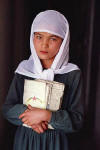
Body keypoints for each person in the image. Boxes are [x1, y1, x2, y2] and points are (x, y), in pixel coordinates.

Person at [2, 10, 84, 150]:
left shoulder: (72, 74)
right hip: (25, 141)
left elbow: (77, 120)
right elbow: (7, 109)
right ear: (32, 37)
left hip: (56, 142)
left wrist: (47, 115)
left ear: (63, 43)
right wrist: (32, 119)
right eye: (39, 37)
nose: (44, 44)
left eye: (53, 39)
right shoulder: (24, 70)